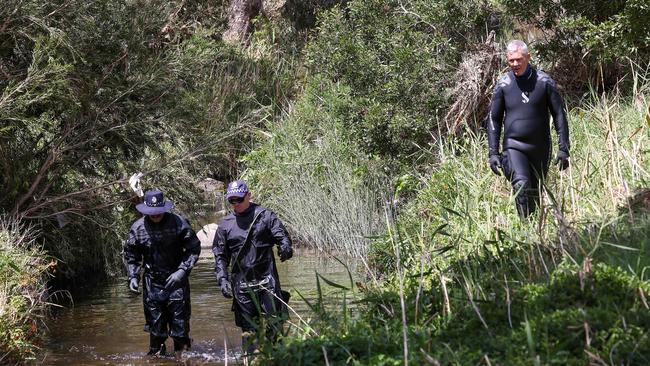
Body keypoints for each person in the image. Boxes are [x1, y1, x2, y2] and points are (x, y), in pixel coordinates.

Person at [486, 40, 570, 218]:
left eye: (519, 59)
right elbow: (494, 119)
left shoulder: (544, 82)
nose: (515, 64)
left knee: (534, 194)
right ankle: (525, 230)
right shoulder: (503, 85)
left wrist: (564, 149)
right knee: (521, 186)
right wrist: (493, 152)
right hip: (513, 147)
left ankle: (535, 236)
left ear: (528, 57)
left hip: (540, 148)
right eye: (511, 61)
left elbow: (559, 115)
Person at [212, 180, 293, 356]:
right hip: (242, 285)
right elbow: (220, 256)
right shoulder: (225, 225)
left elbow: (283, 236)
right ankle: (250, 358)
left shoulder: (265, 216)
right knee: (249, 332)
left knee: (275, 325)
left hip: (267, 280)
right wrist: (223, 279)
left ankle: (276, 358)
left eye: (239, 199)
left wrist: (285, 248)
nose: (236, 204)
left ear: (249, 195)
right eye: (231, 201)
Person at [123, 189, 201, 357]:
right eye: (152, 212)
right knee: (156, 333)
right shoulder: (137, 228)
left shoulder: (179, 223)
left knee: (180, 332)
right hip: (152, 284)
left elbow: (194, 248)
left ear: (164, 208)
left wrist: (182, 271)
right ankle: (158, 358)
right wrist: (133, 276)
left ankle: (183, 356)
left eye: (158, 212)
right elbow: (132, 256)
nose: (156, 215)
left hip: (177, 281)